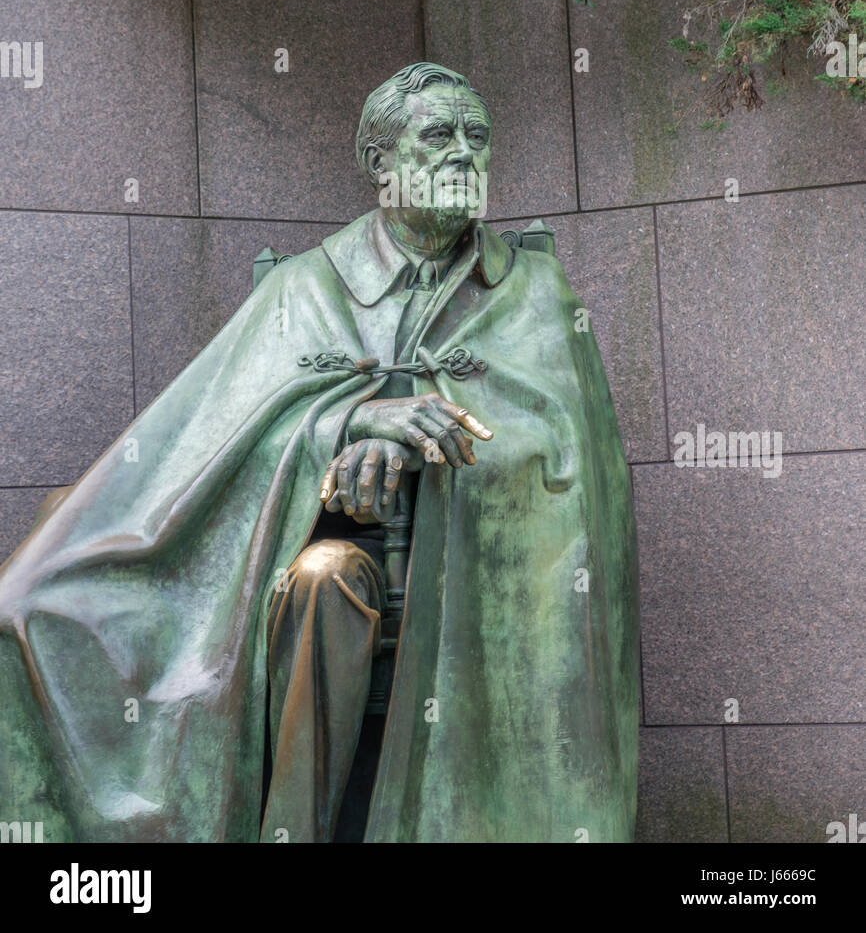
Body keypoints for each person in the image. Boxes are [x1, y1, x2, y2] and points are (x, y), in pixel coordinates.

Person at [0, 62, 638, 843]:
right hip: (307, 548)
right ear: (379, 162)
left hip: (468, 562)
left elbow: (574, 464)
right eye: (438, 135)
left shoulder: (536, 291)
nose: (463, 154)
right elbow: (208, 441)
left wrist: (423, 451)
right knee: (51, 599)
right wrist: (345, 429)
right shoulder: (302, 288)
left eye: (478, 137)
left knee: (327, 581)